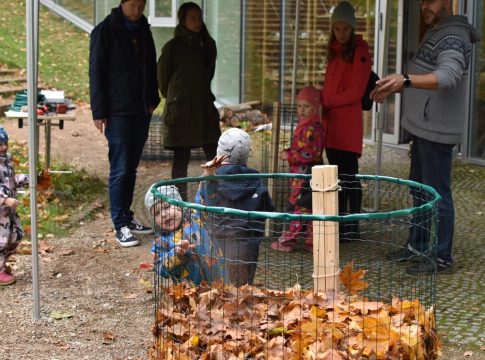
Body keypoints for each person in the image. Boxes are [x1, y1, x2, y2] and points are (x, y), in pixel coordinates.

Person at [371, 0, 479, 275]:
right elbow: (424, 75)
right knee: (419, 190)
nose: (423, 7)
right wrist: (395, 87)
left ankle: (442, 259)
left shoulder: (453, 36)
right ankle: (417, 247)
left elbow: (448, 76)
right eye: (421, 2)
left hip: (436, 132)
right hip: (423, 130)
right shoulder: (438, 29)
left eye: (429, 1)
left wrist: (404, 80)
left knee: (438, 196)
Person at [89, 0, 160, 247]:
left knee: (130, 167)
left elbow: (152, 67)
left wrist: (153, 99)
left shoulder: (144, 30)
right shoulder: (105, 31)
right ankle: (120, 224)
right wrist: (99, 111)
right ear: (122, 4)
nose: (137, 10)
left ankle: (127, 218)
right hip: (117, 111)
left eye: (141, 5)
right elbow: (96, 71)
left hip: (141, 109)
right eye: (133, 5)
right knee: (119, 167)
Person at [157, 2, 221, 201]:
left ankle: (217, 198)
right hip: (182, 111)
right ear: (183, 20)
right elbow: (162, 79)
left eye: (199, 17)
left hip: (203, 109)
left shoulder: (208, 44)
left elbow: (208, 74)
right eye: (192, 17)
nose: (197, 21)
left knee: (214, 156)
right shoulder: (173, 47)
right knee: (181, 159)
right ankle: (179, 202)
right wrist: (178, 97)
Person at [197, 128, 274, 286]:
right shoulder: (257, 182)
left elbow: (199, 207)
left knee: (217, 286)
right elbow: (267, 209)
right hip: (247, 246)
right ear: (246, 155)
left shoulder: (211, 181)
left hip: (215, 243)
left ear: (218, 152)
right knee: (243, 287)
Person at [321, 1, 371, 241]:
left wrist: (328, 101)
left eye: (346, 29)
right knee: (335, 177)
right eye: (337, 29)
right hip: (331, 126)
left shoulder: (360, 51)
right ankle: (339, 223)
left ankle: (352, 225)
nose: (341, 33)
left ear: (353, 29)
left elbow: (356, 90)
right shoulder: (333, 50)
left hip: (347, 126)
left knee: (350, 177)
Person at [270, 86, 325, 253]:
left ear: (315, 107)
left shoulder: (313, 127)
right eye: (299, 106)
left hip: (307, 174)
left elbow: (310, 153)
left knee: (298, 207)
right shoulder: (305, 125)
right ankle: (312, 242)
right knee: (309, 207)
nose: (301, 110)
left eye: (306, 106)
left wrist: (289, 155)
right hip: (300, 175)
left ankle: (287, 241)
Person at [145, 184, 226, 285]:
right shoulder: (161, 241)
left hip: (220, 283)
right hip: (190, 293)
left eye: (167, 206)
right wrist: (177, 254)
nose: (163, 214)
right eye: (156, 213)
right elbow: (161, 269)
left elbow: (205, 197)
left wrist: (207, 177)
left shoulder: (196, 215)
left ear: (180, 204)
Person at [0, 128, 29, 286]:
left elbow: (11, 180)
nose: (4, 147)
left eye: (5, 143)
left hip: (9, 213)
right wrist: (4, 199)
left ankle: (2, 265)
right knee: (1, 241)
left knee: (15, 236)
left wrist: (29, 178)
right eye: (0, 144)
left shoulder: (5, 162)